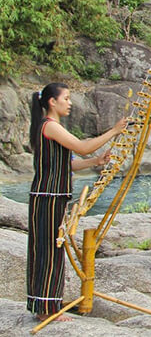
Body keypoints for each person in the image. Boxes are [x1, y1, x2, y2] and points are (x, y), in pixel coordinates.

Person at [27, 83, 126, 321]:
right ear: (52, 102)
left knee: (51, 249)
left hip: (52, 196)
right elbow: (82, 148)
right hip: (48, 197)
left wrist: (95, 162)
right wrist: (113, 132)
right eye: (66, 98)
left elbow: (69, 163)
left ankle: (47, 303)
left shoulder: (52, 127)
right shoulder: (50, 126)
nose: (70, 103)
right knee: (49, 250)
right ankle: (46, 309)